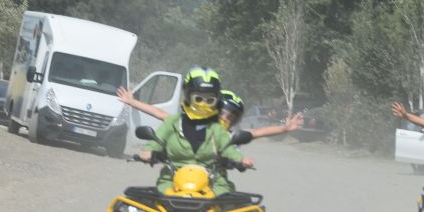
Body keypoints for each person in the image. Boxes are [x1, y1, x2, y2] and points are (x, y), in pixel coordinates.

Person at [138, 67, 253, 196]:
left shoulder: (218, 129)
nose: (203, 104)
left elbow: (228, 149)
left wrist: (240, 159)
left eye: (209, 100)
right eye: (198, 99)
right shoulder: (171, 123)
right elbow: (156, 142)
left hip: (214, 184)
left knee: (238, 211)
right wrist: (148, 152)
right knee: (140, 209)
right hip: (171, 181)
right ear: (187, 96)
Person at [118, 85, 303, 144]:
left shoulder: (228, 137)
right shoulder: (187, 125)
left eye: (229, 117)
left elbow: (257, 132)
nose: (224, 119)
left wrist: (285, 128)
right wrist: (132, 101)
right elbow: (160, 113)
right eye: (221, 114)